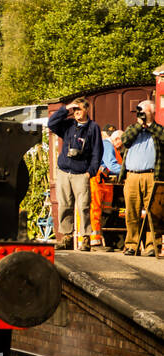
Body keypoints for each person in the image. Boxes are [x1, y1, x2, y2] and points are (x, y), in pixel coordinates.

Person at [47, 96, 103, 251]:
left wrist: (90, 172)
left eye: (79, 109)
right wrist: (66, 109)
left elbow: (97, 152)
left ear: (87, 109)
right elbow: (51, 123)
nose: (77, 112)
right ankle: (66, 237)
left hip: (81, 173)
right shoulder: (69, 125)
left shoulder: (93, 128)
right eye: (75, 109)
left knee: (84, 206)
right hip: (64, 171)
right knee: (64, 205)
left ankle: (85, 238)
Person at [118, 100, 164, 257]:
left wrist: (150, 124)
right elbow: (125, 141)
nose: (141, 115)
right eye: (140, 112)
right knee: (132, 212)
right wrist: (140, 125)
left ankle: (152, 245)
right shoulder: (133, 129)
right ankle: (132, 244)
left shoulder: (158, 130)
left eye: (144, 112)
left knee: (153, 213)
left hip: (152, 175)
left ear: (152, 113)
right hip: (132, 176)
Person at [89, 125, 121, 250]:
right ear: (117, 139)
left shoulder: (107, 146)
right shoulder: (107, 145)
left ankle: (102, 240)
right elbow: (112, 166)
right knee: (96, 211)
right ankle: (95, 241)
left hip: (104, 183)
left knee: (103, 212)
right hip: (98, 182)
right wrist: (127, 170)